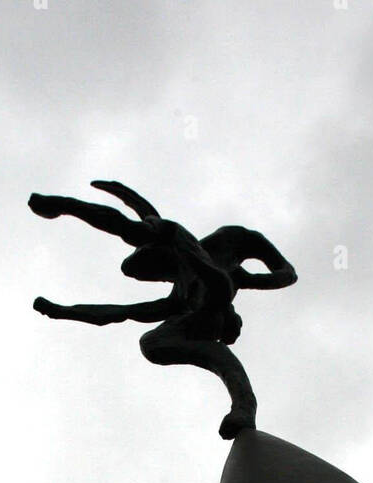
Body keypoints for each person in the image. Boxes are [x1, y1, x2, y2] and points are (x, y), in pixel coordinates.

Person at [29, 180, 297, 439]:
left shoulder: (224, 241)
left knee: (152, 235)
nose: (159, 278)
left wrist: (249, 279)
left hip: (208, 281)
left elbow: (287, 274)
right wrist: (60, 310)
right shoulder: (180, 295)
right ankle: (63, 205)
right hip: (205, 279)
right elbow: (117, 312)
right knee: (152, 341)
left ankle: (244, 406)